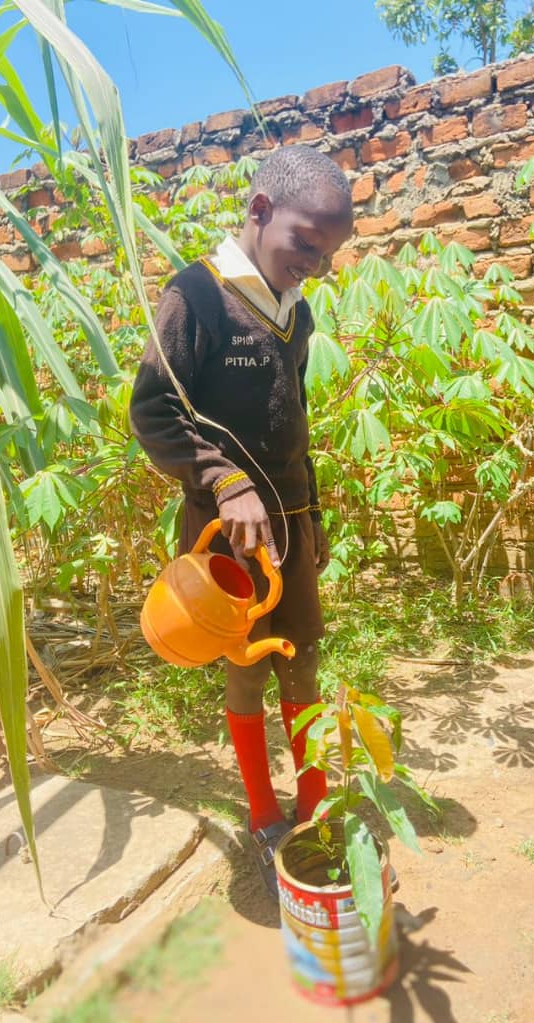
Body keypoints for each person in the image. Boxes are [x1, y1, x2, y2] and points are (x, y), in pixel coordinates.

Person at [129, 144, 354, 897]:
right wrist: (223, 481)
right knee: (248, 663)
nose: (315, 266)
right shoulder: (196, 297)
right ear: (259, 211)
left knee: (305, 656)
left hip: (289, 521)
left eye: (328, 256)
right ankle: (263, 811)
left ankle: (313, 804)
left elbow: (297, 419)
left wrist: (312, 512)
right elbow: (152, 408)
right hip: (229, 533)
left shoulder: (298, 311)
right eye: (305, 245)